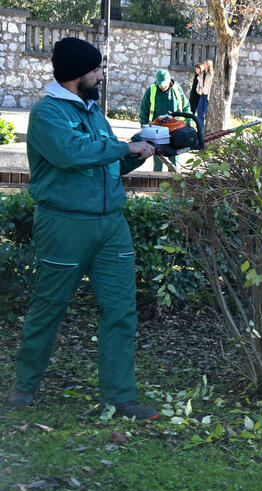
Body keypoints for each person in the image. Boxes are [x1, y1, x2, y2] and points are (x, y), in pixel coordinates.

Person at [5, 37, 159, 419]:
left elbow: (110, 163)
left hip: (111, 227)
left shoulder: (94, 113)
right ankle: (25, 385)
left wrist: (144, 149)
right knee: (49, 306)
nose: (101, 76)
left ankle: (121, 397)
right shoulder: (48, 113)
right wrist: (123, 148)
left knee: (121, 310)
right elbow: (71, 154)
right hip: (64, 224)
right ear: (78, 73)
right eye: (96, 69)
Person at [139, 68, 190, 171]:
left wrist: (188, 123)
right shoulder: (151, 91)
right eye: (160, 84)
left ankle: (174, 179)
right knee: (158, 156)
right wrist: (144, 126)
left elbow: (186, 107)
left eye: (164, 84)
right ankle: (157, 179)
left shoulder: (177, 90)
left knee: (174, 156)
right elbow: (144, 109)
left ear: (169, 81)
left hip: (175, 130)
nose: (162, 87)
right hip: (157, 130)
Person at [188, 59, 212, 133]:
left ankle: (204, 130)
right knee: (199, 113)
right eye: (204, 63)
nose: (204, 65)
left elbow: (211, 86)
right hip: (201, 94)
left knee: (205, 113)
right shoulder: (201, 75)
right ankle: (200, 130)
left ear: (209, 65)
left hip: (207, 95)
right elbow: (198, 84)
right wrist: (198, 89)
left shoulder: (211, 74)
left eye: (205, 63)